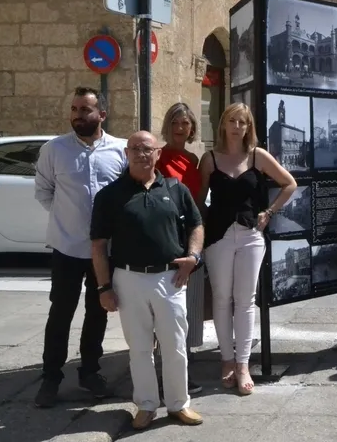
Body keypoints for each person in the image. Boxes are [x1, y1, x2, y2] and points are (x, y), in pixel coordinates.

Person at [90, 131, 205, 429]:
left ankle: (179, 405)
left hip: (171, 278)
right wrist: (104, 288)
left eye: (148, 149)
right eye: (136, 149)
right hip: (128, 279)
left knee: (175, 345)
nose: (142, 154)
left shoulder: (176, 189)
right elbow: (99, 245)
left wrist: (193, 257)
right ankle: (146, 405)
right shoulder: (110, 195)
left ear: (157, 154)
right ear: (126, 154)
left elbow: (196, 224)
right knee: (139, 348)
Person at [33, 87, 128, 408]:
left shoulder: (120, 150)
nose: (77, 115)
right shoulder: (54, 150)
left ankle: (90, 372)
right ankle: (50, 378)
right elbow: (44, 192)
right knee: (60, 313)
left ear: (101, 114)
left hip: (104, 252)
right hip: (66, 249)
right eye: (74, 109)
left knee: (98, 312)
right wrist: (67, 220)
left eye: (84, 110)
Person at [198, 103, 297, 395]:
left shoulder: (257, 156)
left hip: (251, 235)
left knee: (245, 300)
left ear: (248, 126)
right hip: (218, 236)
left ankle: (243, 364)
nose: (237, 126)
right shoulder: (210, 159)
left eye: (243, 122)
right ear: (224, 124)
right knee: (221, 299)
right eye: (232, 120)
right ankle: (225, 359)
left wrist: (269, 212)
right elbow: (199, 201)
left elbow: (289, 183)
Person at [156, 102, 205, 395]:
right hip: (166, 237)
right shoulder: (158, 157)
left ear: (191, 128)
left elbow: (197, 199)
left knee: (186, 308)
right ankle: (166, 373)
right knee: (166, 306)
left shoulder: (193, 159)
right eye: (175, 122)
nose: (180, 128)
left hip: (191, 236)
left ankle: (181, 365)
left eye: (185, 123)